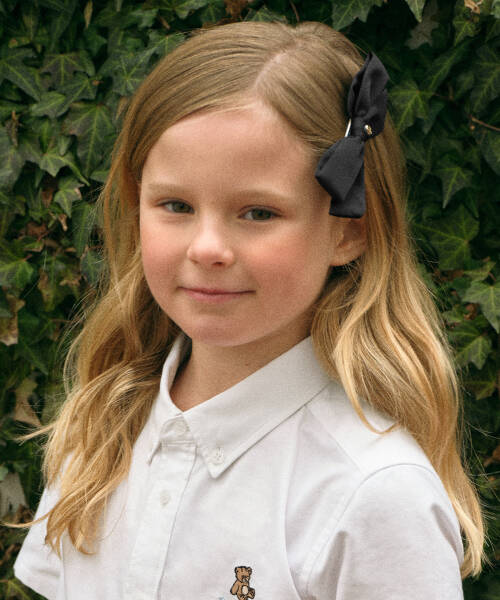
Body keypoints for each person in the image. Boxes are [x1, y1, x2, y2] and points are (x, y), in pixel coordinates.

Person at [10, 19, 484, 599]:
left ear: (347, 231)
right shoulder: (101, 428)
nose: (207, 248)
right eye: (176, 205)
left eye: (258, 213)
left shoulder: (375, 492)